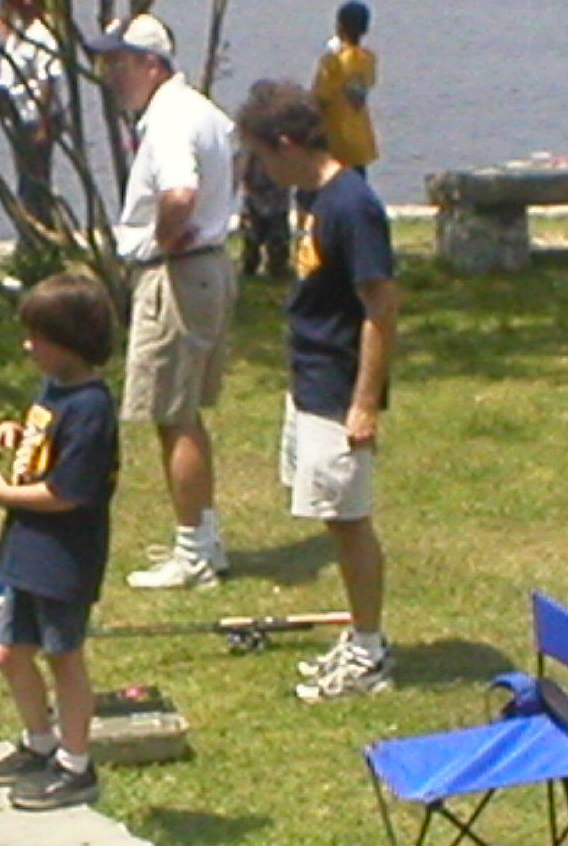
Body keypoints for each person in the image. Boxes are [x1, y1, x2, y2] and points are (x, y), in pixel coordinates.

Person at [235, 80, 399, 702]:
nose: (262, 172)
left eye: (263, 158)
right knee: (332, 517)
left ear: (285, 144)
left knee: (348, 518)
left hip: (337, 387)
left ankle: (369, 651)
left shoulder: (351, 204)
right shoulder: (318, 199)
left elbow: (381, 305)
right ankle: (359, 634)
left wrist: (362, 402)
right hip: (309, 381)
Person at [86, 13, 237, 590]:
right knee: (184, 411)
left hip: (177, 272)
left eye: (119, 63)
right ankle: (203, 536)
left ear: (151, 63)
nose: (111, 76)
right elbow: (234, 155)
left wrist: (169, 233)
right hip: (208, 267)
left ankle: (193, 550)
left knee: (172, 415)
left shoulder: (169, 121)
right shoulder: (201, 110)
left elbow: (180, 191)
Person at [0, 273, 118, 811]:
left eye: (38, 336)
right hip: (26, 548)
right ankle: (39, 744)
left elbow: (65, 493)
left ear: (71, 339)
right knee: (10, 653)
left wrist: (3, 493)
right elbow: (42, 447)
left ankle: (76, 766)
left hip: (64, 554)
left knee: (64, 656)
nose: (28, 345)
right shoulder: (54, 389)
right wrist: (13, 432)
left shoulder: (92, 408)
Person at [0, 0, 64, 238]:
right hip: (18, 117)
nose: (27, 2)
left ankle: (40, 240)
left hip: (36, 118)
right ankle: (34, 239)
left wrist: (42, 125)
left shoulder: (43, 34)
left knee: (35, 186)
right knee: (27, 183)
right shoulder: (17, 32)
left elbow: (49, 80)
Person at [313, 0, 378, 176]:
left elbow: (320, 98)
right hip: (360, 141)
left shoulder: (333, 62)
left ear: (339, 26)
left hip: (336, 142)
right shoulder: (369, 59)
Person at [238, 147, 292, 280]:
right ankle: (250, 267)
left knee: (277, 236)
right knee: (252, 236)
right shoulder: (253, 143)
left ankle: (277, 269)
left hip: (277, 193)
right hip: (256, 193)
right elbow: (244, 164)